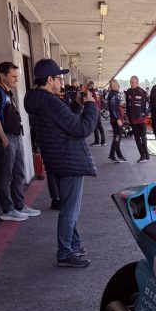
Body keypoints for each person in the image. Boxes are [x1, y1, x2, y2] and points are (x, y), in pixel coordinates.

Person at [23, 58, 98, 267]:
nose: (61, 81)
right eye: (58, 78)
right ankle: (65, 253)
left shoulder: (38, 101)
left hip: (58, 158)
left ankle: (74, 244)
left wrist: (77, 105)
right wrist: (92, 106)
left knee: (68, 206)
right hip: (69, 159)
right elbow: (82, 128)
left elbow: (65, 121)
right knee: (70, 210)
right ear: (49, 80)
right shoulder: (51, 102)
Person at [0, 61, 39, 223]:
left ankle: (19, 205)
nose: (16, 79)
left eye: (17, 76)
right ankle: (7, 210)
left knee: (19, 173)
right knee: (6, 175)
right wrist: (4, 139)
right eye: (13, 76)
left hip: (16, 137)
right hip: (7, 138)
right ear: (2, 76)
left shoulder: (7, 92)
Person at [125, 75, 150, 162]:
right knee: (136, 138)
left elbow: (150, 104)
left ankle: (146, 154)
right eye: (130, 82)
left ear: (137, 82)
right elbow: (127, 105)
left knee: (143, 137)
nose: (131, 84)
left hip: (142, 120)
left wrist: (145, 113)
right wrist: (127, 116)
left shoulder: (142, 92)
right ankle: (142, 155)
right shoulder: (128, 92)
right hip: (133, 120)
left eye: (132, 82)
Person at [106, 79, 126, 163]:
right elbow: (113, 108)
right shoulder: (113, 95)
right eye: (115, 85)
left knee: (117, 138)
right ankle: (111, 155)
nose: (117, 86)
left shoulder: (114, 94)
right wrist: (118, 119)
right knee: (117, 138)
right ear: (113, 86)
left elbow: (114, 106)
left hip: (116, 119)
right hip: (116, 120)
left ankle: (119, 156)